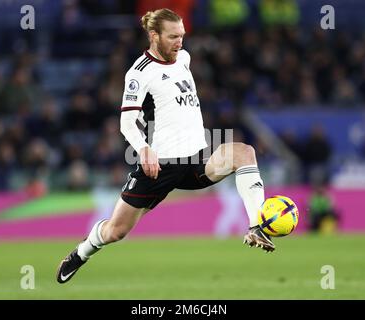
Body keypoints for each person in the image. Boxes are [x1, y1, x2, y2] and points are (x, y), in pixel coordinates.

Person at [56, 8, 273, 284]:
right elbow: (126, 121)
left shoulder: (183, 58)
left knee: (244, 153)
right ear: (153, 35)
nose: (180, 42)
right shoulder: (139, 73)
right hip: (160, 165)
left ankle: (257, 226)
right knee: (116, 231)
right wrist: (144, 149)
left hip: (197, 158)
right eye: (173, 37)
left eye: (182, 35)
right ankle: (80, 253)